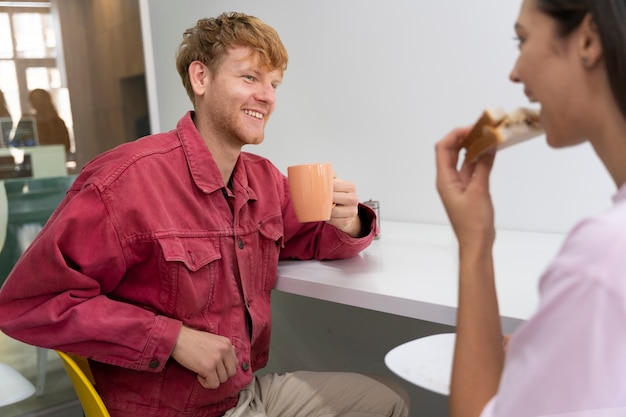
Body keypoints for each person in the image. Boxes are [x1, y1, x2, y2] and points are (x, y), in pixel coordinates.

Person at [0, 12, 408, 417]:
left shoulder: (262, 180)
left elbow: (312, 235)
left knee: (389, 400)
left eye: (274, 83)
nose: (267, 96)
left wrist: (350, 220)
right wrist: (172, 339)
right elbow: (29, 304)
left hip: (242, 397)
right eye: (250, 77)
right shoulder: (124, 182)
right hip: (169, 410)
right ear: (201, 78)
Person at [435, 1, 626, 416]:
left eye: (522, 40)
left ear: (589, 40)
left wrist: (474, 245)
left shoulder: (603, 256)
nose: (515, 73)